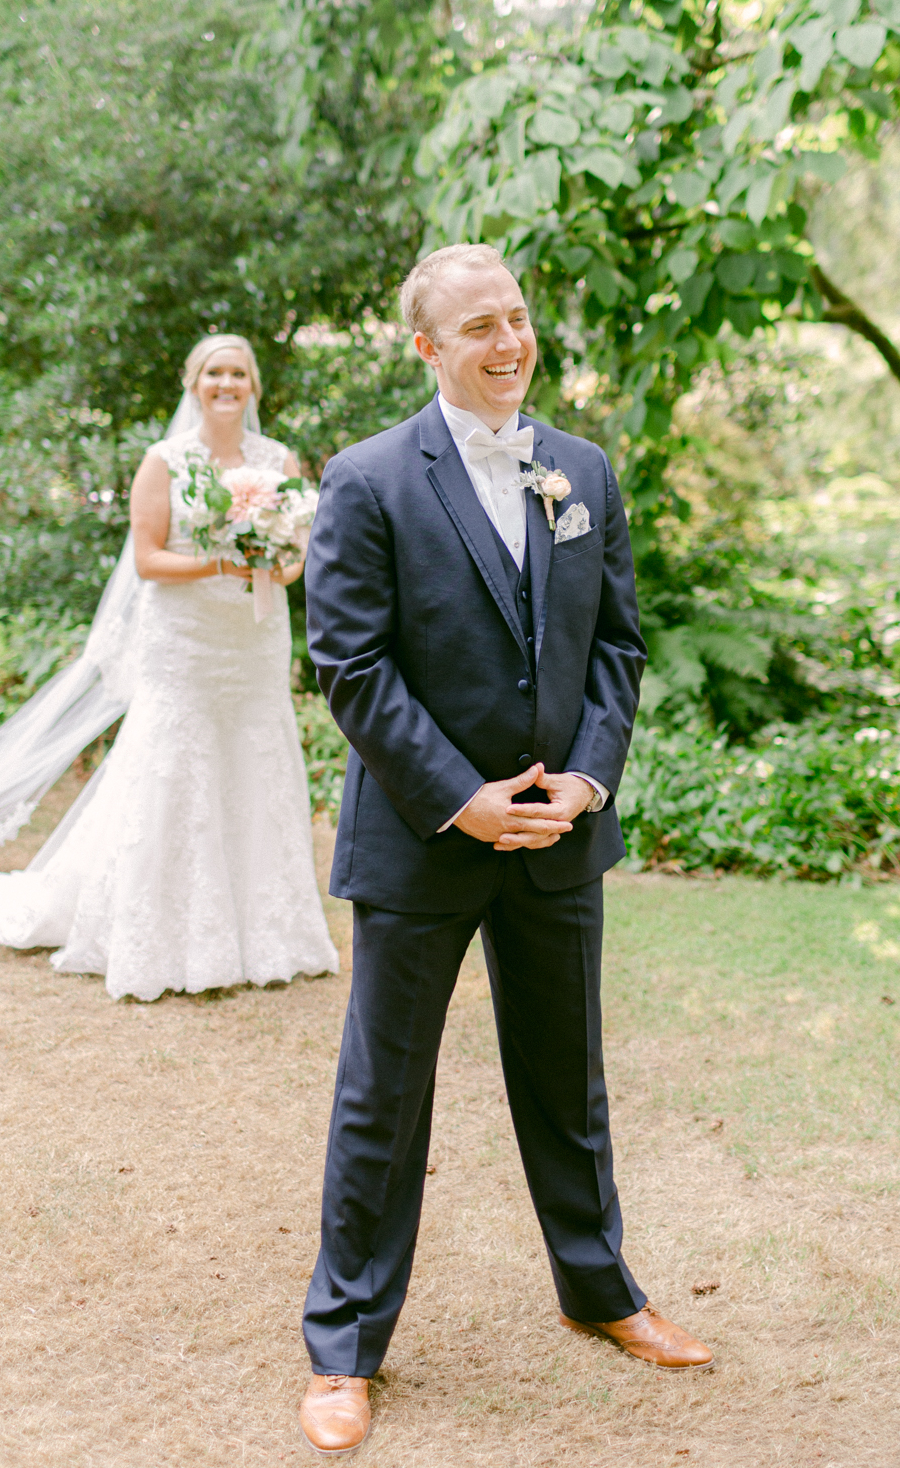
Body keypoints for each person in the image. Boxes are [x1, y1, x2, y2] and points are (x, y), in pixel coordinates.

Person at [297, 245, 711, 1455]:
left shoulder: (577, 469)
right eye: (477, 325)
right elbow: (351, 667)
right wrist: (459, 798)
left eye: (517, 318)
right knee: (383, 1098)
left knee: (564, 1081)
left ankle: (600, 1291)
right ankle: (343, 1346)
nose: (508, 342)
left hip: (556, 836)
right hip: (424, 840)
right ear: (425, 347)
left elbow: (616, 649)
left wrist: (586, 778)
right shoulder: (368, 479)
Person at [0, 334, 338, 1001]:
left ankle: (270, 933)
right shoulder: (165, 462)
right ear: (193, 382)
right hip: (185, 641)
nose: (226, 383)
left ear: (254, 386)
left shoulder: (278, 459)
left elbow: (295, 554)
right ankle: (167, 931)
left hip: (252, 639)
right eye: (213, 372)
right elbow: (148, 561)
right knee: (179, 766)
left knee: (255, 761)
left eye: (238, 373)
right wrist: (222, 562)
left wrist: (275, 565)